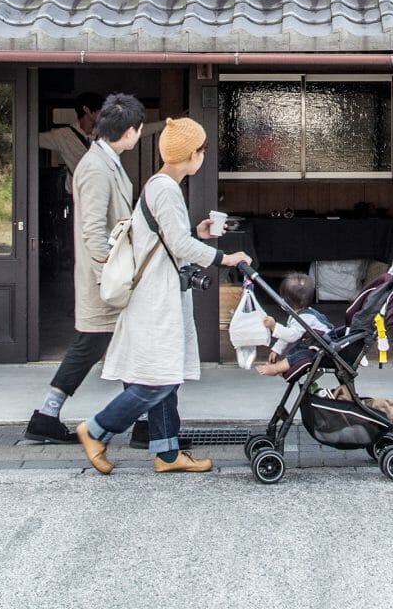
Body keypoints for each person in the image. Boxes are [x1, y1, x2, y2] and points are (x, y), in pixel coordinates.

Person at [77, 117, 250, 474]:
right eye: (201, 149)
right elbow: (178, 243)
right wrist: (224, 258)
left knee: (160, 377)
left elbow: (169, 239)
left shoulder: (159, 186)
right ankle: (96, 429)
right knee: (160, 379)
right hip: (156, 300)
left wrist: (196, 232)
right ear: (191, 155)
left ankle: (167, 454)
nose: (203, 155)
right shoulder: (166, 189)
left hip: (156, 297)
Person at [26, 92, 146, 445]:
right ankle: (139, 423)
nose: (139, 135)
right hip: (106, 279)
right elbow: (94, 230)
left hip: (110, 275)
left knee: (109, 346)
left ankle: (48, 415)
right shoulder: (95, 168)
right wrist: (107, 275)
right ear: (128, 132)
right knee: (101, 345)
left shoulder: (106, 161)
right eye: (138, 129)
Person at [254, 273, 331, 377]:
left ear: (285, 302)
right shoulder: (299, 314)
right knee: (296, 350)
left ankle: (276, 368)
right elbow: (287, 334)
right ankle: (282, 369)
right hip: (314, 344)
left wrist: (274, 327)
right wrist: (276, 350)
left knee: (300, 355)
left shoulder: (305, 317)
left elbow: (291, 336)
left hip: (325, 348)